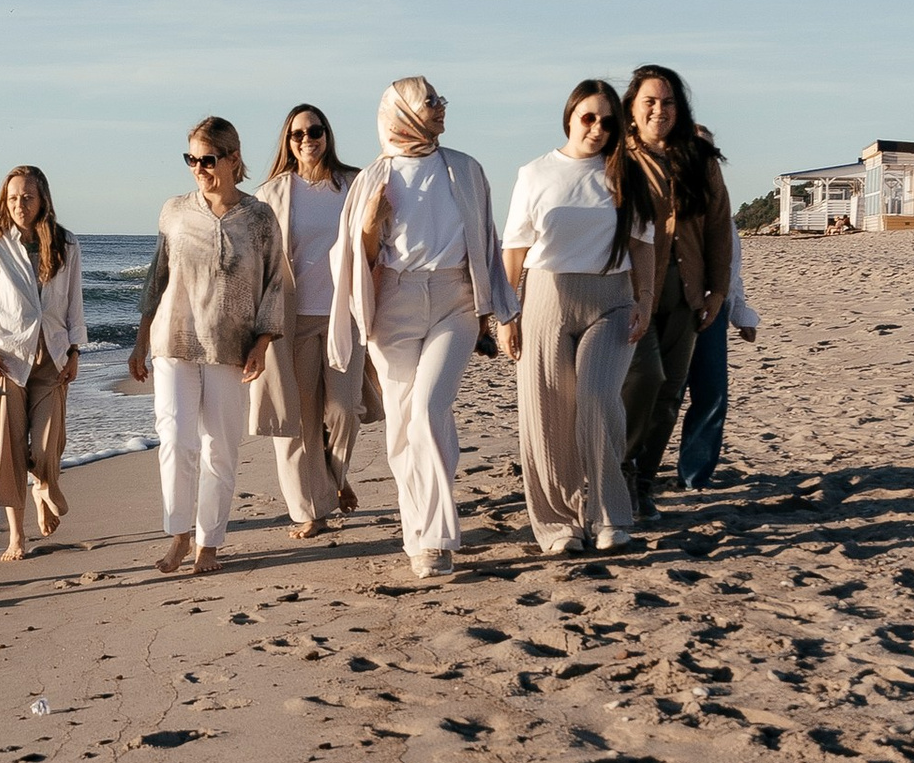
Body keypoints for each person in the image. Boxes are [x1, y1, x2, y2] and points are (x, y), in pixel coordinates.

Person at [328, 77, 512, 580]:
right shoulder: (372, 178)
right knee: (404, 424)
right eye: (430, 100)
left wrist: (497, 307)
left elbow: (488, 240)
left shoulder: (465, 169)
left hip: (455, 300)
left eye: (439, 99)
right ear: (403, 112)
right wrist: (369, 226)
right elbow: (353, 262)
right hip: (395, 304)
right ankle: (421, 538)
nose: (441, 107)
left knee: (429, 410)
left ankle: (435, 536)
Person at [126, 117, 289, 575]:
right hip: (172, 340)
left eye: (208, 159)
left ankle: (210, 542)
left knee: (220, 447)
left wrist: (262, 344)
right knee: (176, 439)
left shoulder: (259, 218)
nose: (198, 168)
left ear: (234, 159)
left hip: (230, 347)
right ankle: (179, 533)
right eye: (191, 159)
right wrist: (140, 341)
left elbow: (275, 284)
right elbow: (157, 278)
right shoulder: (174, 211)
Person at [502, 79, 646, 555]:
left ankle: (609, 517)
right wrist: (507, 313)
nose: (598, 127)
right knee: (546, 413)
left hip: (612, 298)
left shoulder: (628, 173)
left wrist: (643, 299)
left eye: (608, 120)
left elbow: (643, 243)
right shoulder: (536, 172)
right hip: (545, 297)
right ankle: (559, 525)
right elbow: (515, 248)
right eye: (589, 117)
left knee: (599, 398)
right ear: (570, 117)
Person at [621, 65, 733, 519]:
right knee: (642, 382)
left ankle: (643, 484)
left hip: (686, 291)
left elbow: (719, 229)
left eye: (667, 102)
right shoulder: (615, 157)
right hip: (630, 291)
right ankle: (619, 471)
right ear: (631, 107)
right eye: (649, 101)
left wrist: (718, 291)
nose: (658, 110)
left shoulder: (698, 160)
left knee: (670, 395)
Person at [250, 103, 366, 537]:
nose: (307, 140)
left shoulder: (353, 184)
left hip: (344, 316)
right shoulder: (272, 194)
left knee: (342, 413)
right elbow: (256, 265)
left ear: (327, 134)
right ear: (288, 141)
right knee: (298, 421)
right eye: (297, 134)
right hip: (292, 320)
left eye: (314, 130)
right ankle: (309, 513)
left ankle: (334, 481)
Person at [0, 165, 86, 560]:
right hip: (6, 358)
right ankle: (15, 537)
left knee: (47, 444)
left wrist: (74, 351)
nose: (19, 205)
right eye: (13, 198)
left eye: (27, 197)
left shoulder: (66, 243)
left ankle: (44, 487)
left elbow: (74, 303)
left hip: (53, 355)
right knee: (9, 448)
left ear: (43, 200)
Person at [675, 220, 758, 492]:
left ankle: (694, 477)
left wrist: (740, 313)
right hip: (668, 306)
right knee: (663, 395)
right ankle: (640, 475)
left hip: (714, 306)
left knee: (712, 394)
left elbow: (731, 268)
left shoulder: (717, 205)